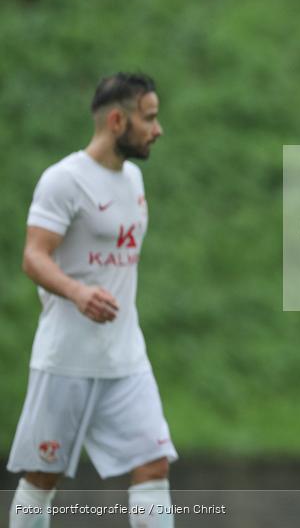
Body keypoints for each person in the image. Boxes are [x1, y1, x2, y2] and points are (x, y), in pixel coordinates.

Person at [7, 73, 177, 528]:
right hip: (67, 358)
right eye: (149, 119)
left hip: (125, 358)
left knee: (153, 465)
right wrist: (78, 292)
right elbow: (33, 256)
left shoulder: (135, 179)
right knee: (43, 476)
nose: (157, 130)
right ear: (118, 120)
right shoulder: (63, 181)